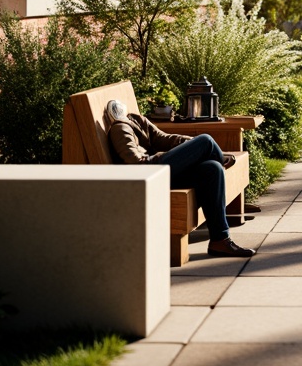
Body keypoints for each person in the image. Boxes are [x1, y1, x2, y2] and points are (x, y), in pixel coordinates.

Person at [105, 98, 256, 258]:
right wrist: (195, 149)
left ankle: (220, 240)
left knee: (213, 168)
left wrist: (191, 146)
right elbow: (137, 165)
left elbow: (163, 138)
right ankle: (218, 157)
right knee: (206, 141)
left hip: (160, 170)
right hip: (150, 173)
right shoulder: (119, 129)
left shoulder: (135, 120)